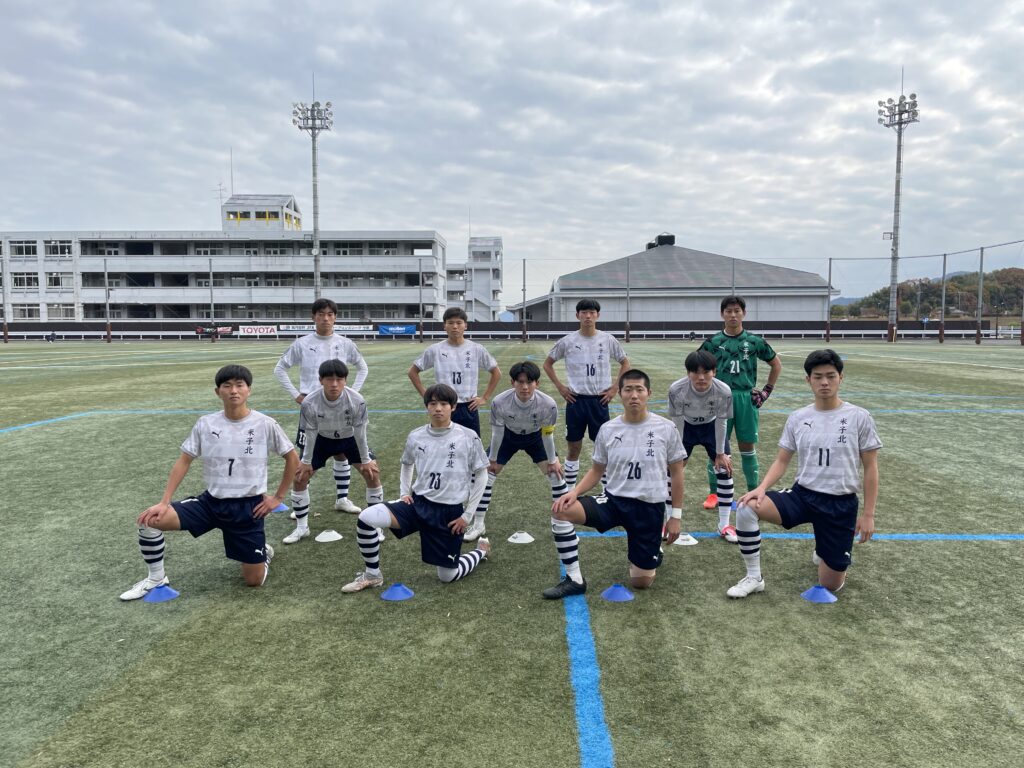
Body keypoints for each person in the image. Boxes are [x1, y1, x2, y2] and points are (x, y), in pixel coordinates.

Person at [119, 365, 298, 600]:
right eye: (227, 386)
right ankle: (156, 578)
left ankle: (262, 553)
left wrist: (277, 498)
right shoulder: (206, 423)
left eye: (239, 385)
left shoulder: (265, 424)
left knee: (253, 581)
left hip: (248, 509)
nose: (233, 391)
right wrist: (164, 501)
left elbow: (292, 458)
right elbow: (184, 461)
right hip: (210, 503)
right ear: (217, 392)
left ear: (249, 390)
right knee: (149, 521)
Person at [726, 349, 881, 599]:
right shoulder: (798, 417)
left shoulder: (859, 417)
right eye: (818, 377)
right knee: (746, 507)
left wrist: (868, 514)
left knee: (830, 585)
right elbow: (782, 461)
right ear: (808, 380)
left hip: (840, 504)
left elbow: (871, 467)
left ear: (841, 378)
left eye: (831, 376)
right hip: (803, 496)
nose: (824, 382)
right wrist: (761, 488)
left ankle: (825, 548)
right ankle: (754, 577)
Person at [543, 369, 686, 599]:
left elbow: (677, 474)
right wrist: (574, 492)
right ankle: (574, 579)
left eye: (639, 390)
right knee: (561, 510)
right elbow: (596, 470)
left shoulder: (666, 428)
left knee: (641, 582)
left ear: (649, 393)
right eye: (628, 390)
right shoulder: (608, 429)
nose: (634, 395)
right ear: (620, 393)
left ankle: (648, 552)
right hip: (613, 502)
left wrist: (675, 516)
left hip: (649, 508)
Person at [341, 384, 492, 593]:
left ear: (453, 407)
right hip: (418, 504)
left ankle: (481, 551)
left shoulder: (468, 436)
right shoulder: (416, 435)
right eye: (433, 403)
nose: (438, 408)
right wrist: (404, 493)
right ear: (426, 406)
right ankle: (373, 575)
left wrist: (467, 516)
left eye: (443, 404)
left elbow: (482, 474)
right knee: (366, 518)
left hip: (449, 514)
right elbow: (407, 464)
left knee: (447, 576)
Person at [274, 298, 368, 514]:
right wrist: (296, 395)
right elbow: (279, 369)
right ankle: (301, 504)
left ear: (335, 317)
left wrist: (352, 393)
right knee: (306, 455)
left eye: (330, 314)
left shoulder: (345, 343)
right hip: (312, 407)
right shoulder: (302, 343)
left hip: (342, 406)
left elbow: (363, 368)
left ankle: (342, 499)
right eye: (321, 314)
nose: (325, 318)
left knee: (342, 452)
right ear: (313, 317)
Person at [462, 361, 569, 542]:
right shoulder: (500, 402)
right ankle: (478, 524)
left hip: (536, 438)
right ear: (512, 382)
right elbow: (497, 433)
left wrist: (552, 460)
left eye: (529, 382)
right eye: (520, 382)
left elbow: (547, 435)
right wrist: (492, 459)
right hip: (508, 437)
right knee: (484, 475)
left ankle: (563, 525)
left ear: (537, 383)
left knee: (556, 475)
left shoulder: (548, 404)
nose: (525, 387)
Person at [283, 359, 384, 544]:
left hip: (350, 438)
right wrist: (305, 462)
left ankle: (375, 525)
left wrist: (365, 460)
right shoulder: (309, 402)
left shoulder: (357, 400)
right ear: (321, 380)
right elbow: (310, 432)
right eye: (329, 379)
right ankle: (302, 527)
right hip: (321, 439)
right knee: (299, 477)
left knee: (372, 473)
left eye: (339, 379)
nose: (334, 384)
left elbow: (360, 432)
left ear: (346, 380)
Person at [698, 295, 781, 509]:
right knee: (717, 448)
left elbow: (776, 364)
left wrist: (766, 391)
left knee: (747, 446)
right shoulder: (713, 342)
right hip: (719, 398)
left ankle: (753, 491)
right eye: (728, 311)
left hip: (745, 398)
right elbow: (697, 367)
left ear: (744, 313)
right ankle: (714, 494)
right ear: (722, 314)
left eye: (737, 311)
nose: (733, 315)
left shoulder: (754, 341)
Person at [542, 298, 630, 489]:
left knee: (603, 447)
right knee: (574, 447)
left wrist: (615, 388)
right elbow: (547, 364)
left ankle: (607, 491)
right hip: (576, 401)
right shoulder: (568, 341)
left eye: (592, 312)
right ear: (577, 315)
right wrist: (561, 387)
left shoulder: (607, 340)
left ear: (597, 315)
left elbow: (625, 362)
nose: (588, 316)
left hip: (599, 402)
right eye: (584, 312)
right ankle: (570, 490)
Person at [666, 350, 736, 543]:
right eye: (695, 372)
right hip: (685, 427)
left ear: (714, 372)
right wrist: (677, 453)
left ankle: (724, 525)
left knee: (725, 469)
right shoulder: (676, 389)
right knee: (671, 470)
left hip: (711, 427)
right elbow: (677, 422)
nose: (701, 377)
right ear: (688, 373)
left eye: (706, 372)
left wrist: (720, 453)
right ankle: (668, 521)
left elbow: (721, 422)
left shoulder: (723, 391)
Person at [408, 307, 500, 436]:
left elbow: (496, 372)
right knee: (443, 442)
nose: (455, 326)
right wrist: (426, 396)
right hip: (444, 406)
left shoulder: (476, 349)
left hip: (468, 406)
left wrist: (484, 398)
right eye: (450, 323)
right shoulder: (435, 349)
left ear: (465, 325)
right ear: (444, 326)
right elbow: (412, 372)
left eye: (459, 323)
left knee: (472, 442)